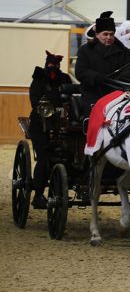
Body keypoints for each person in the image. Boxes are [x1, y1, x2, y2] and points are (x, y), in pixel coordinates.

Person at [28, 51, 72, 209]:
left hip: (63, 124)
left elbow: (72, 96)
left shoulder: (65, 79)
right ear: (46, 64)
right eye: (50, 65)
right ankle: (38, 195)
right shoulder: (39, 79)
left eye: (55, 65)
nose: (52, 68)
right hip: (41, 125)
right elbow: (34, 101)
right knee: (43, 158)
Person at [75, 11, 130, 118]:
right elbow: (80, 72)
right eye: (105, 34)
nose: (109, 37)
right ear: (97, 35)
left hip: (117, 95)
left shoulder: (124, 51)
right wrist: (98, 77)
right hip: (93, 94)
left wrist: (118, 78)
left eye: (111, 34)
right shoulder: (85, 50)